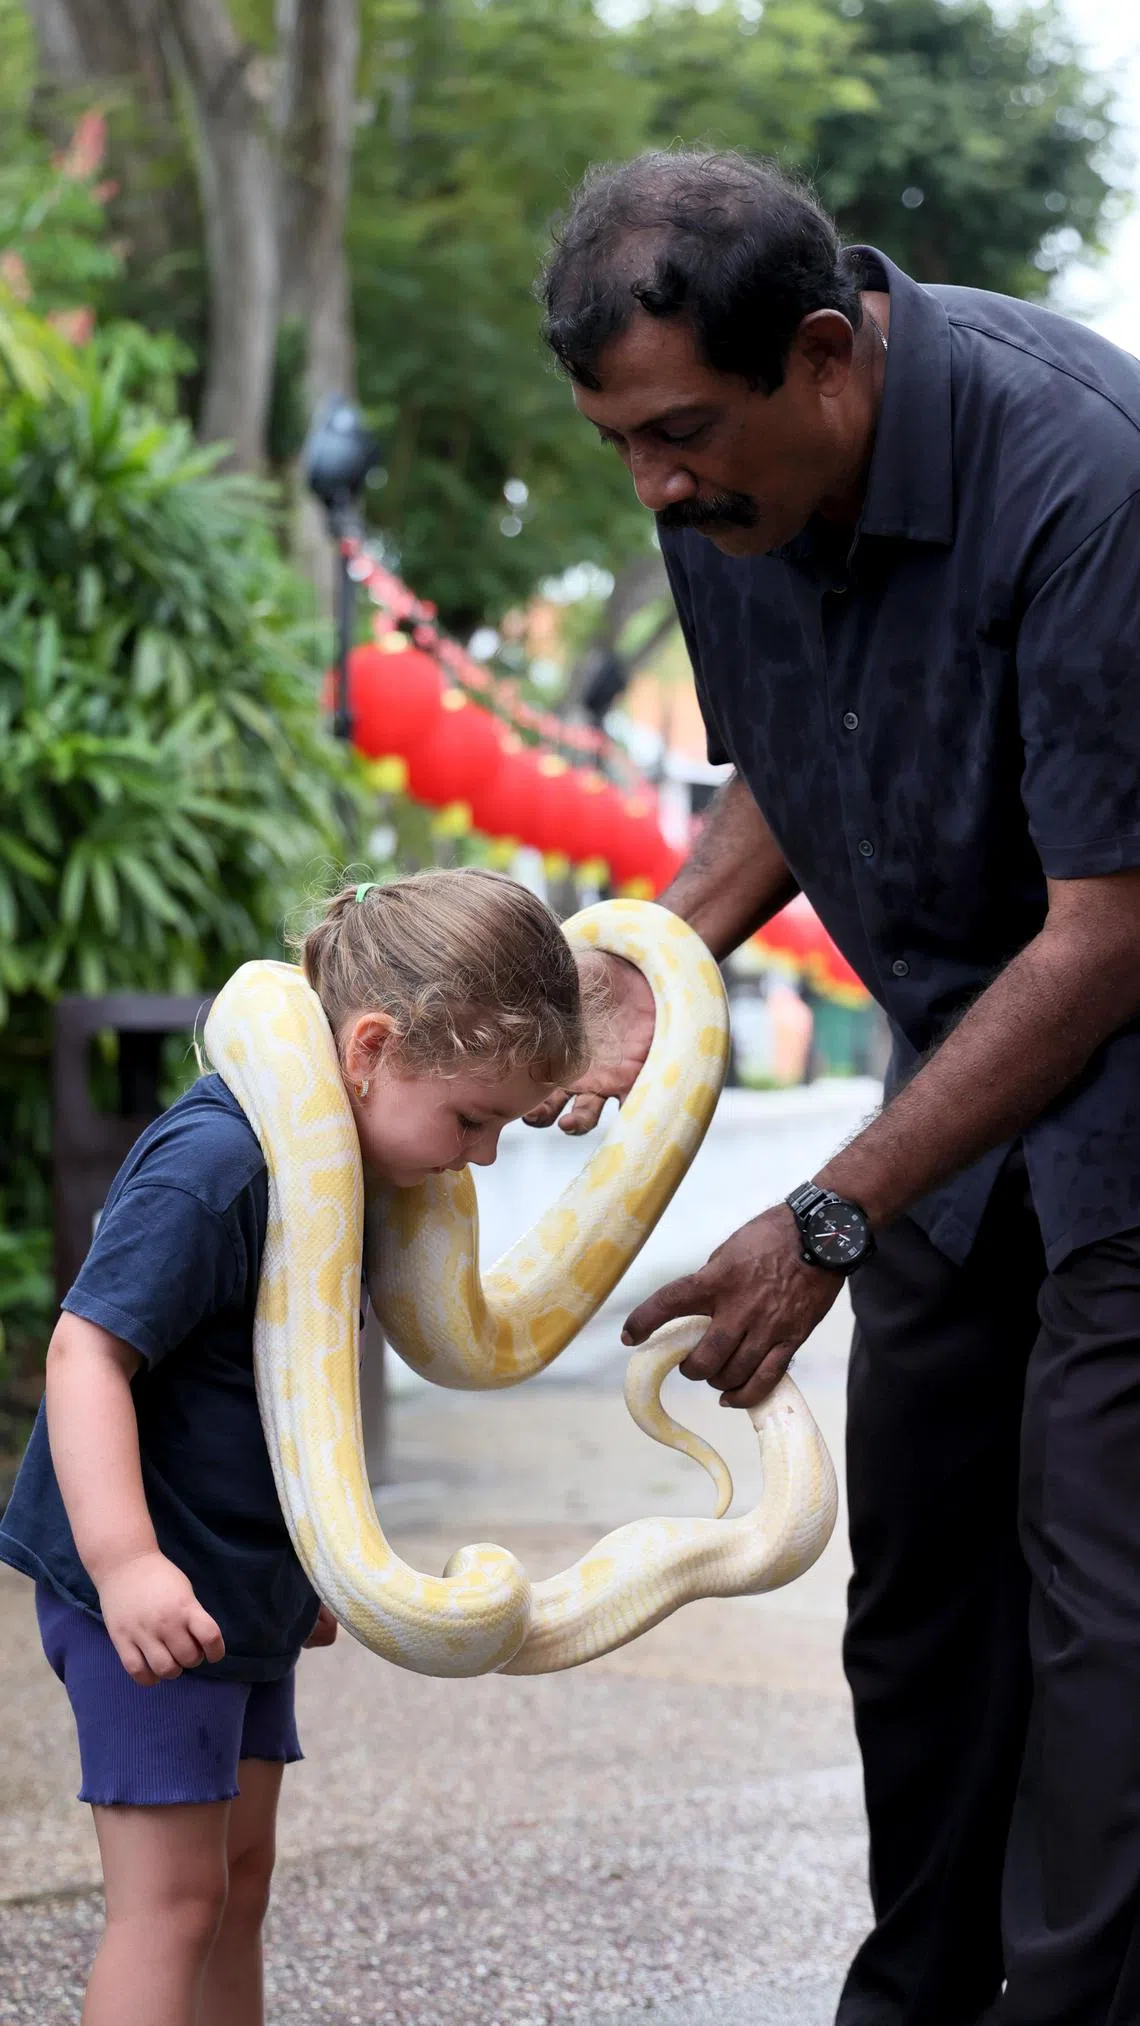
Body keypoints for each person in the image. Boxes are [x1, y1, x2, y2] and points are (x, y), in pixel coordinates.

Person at [533, 149, 1140, 2025]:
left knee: (1108, 1625)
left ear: (823, 355)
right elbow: (794, 767)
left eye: (685, 432)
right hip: (965, 1088)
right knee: (921, 1616)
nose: (654, 485)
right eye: (626, 444)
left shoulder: (1084, 476)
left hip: (1119, 1076)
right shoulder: (723, 490)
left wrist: (827, 1210)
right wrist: (644, 965)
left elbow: (1111, 930)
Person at [0, 867, 586, 2026]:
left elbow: (279, 1390)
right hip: (152, 1588)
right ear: (367, 1046)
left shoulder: (355, 1169)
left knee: (238, 1882)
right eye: (471, 1119)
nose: (477, 1159)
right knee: (166, 1903)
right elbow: (83, 1355)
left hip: (242, 1582)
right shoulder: (221, 1164)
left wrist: (308, 1561)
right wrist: (126, 1563)